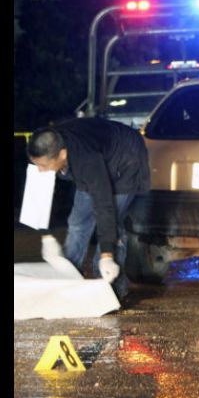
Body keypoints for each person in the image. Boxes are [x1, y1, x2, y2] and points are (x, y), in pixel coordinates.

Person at [27, 118, 150, 300]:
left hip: (126, 159)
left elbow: (104, 205)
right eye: (36, 164)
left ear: (62, 155)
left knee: (110, 223)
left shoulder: (86, 161)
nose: (40, 170)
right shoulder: (43, 146)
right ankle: (68, 276)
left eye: (43, 166)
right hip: (97, 152)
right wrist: (46, 236)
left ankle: (111, 287)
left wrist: (107, 256)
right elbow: (37, 191)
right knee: (78, 222)